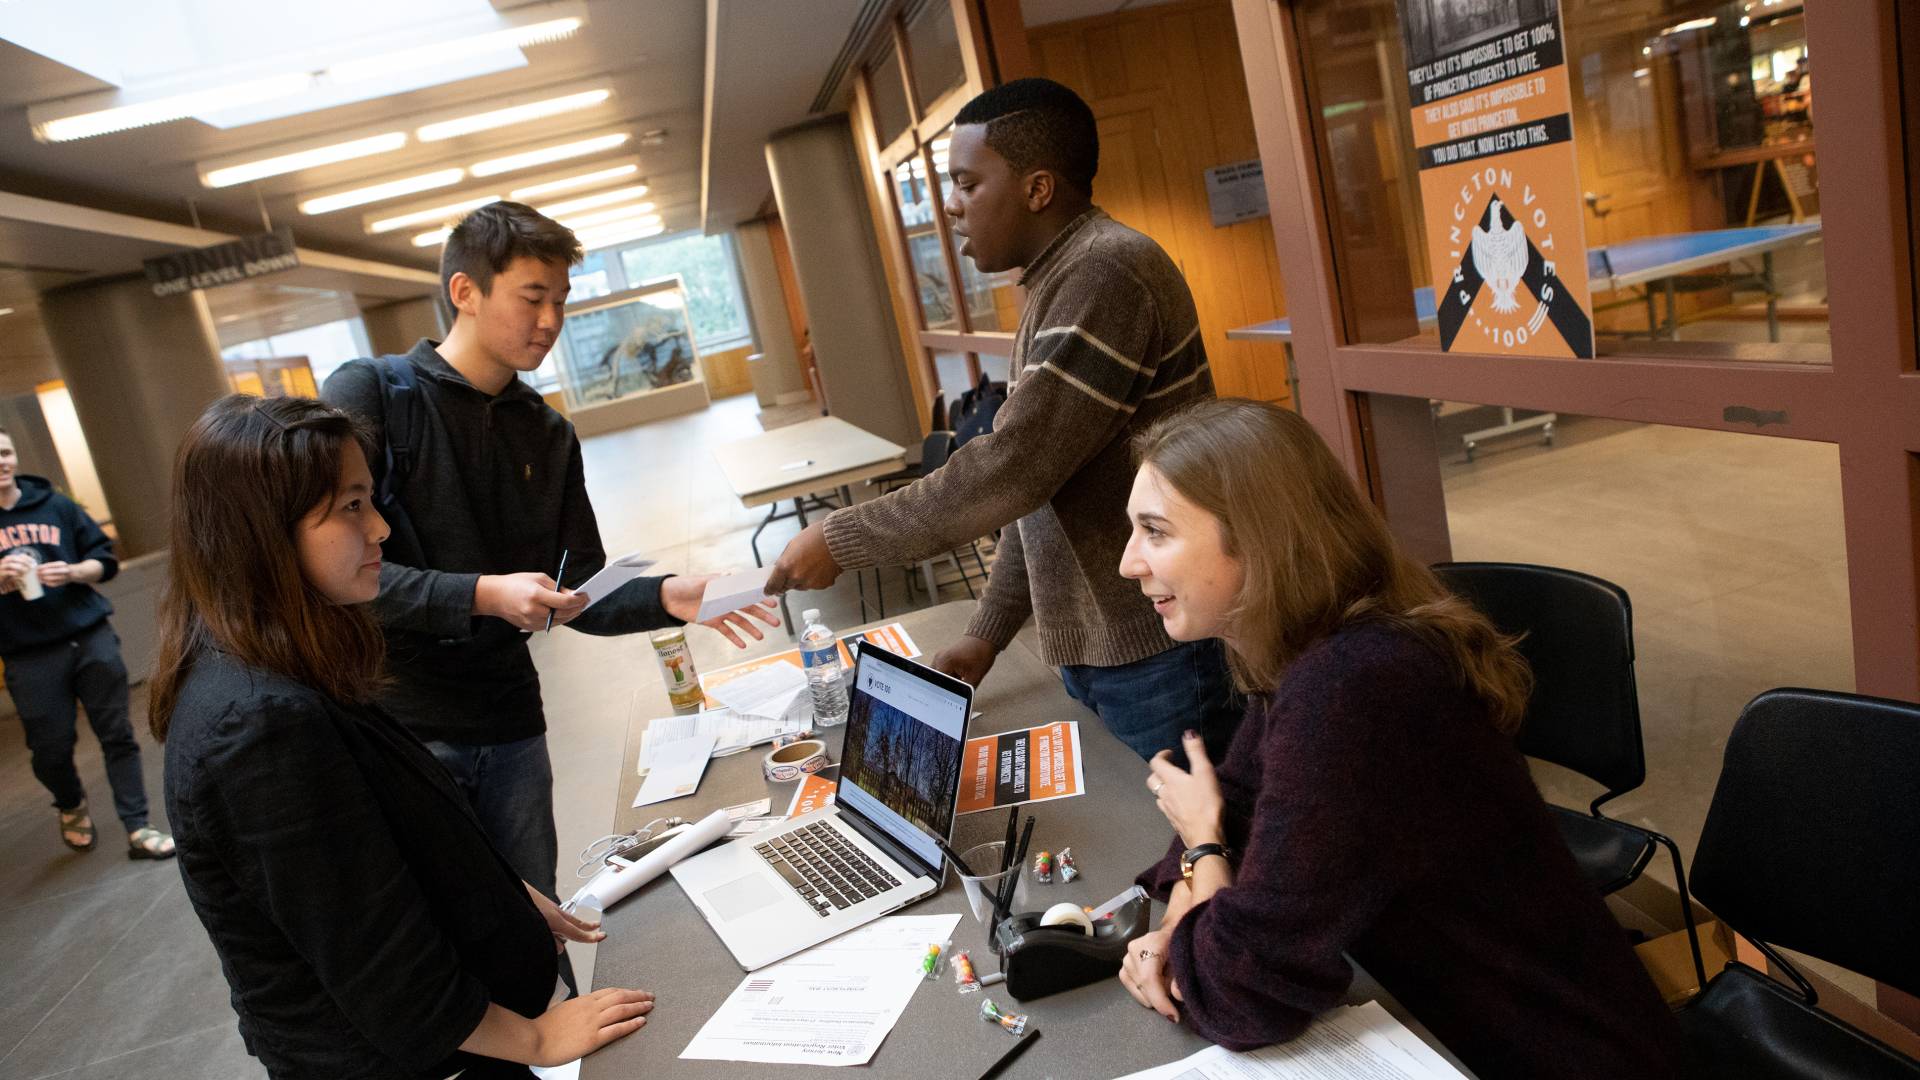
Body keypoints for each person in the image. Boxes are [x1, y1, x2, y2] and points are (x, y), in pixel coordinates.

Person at [1114, 400, 1687, 1079]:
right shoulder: (1318, 646)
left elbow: (1242, 990)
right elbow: (1236, 807)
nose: (1128, 563)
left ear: (1258, 536)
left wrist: (1203, 853)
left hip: (1545, 1052)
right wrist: (1189, 899)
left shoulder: (1352, 689)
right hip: (1442, 1017)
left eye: (1155, 532)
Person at [153, 395, 654, 1078]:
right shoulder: (257, 724)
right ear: (264, 529)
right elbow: (374, 959)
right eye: (351, 507)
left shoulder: (283, 663)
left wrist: (500, 891)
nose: (381, 528)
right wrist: (536, 1042)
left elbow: (381, 844)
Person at [322, 200, 778, 918]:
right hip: (398, 726)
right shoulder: (372, 395)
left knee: (535, 917)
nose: (550, 321)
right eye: (532, 298)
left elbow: (578, 588)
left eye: (560, 301)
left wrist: (669, 594)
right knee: (440, 927)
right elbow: (331, 574)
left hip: (509, 725)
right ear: (465, 291)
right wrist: (482, 594)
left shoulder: (547, 432)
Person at [766, 77, 1239, 763]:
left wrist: (841, 537)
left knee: (1198, 829)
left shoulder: (1105, 274)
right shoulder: (1059, 278)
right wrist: (987, 632)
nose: (951, 206)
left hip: (1160, 648)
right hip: (1111, 644)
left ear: (1037, 188)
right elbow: (1040, 486)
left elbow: (1014, 468)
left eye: (966, 183)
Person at [0, 425, 173, 860]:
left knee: (117, 734)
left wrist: (74, 572)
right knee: (50, 748)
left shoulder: (55, 506)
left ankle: (138, 826)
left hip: (89, 635)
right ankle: (69, 802)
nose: (1, 463)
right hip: (28, 653)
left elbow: (104, 562)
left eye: (5, 453)